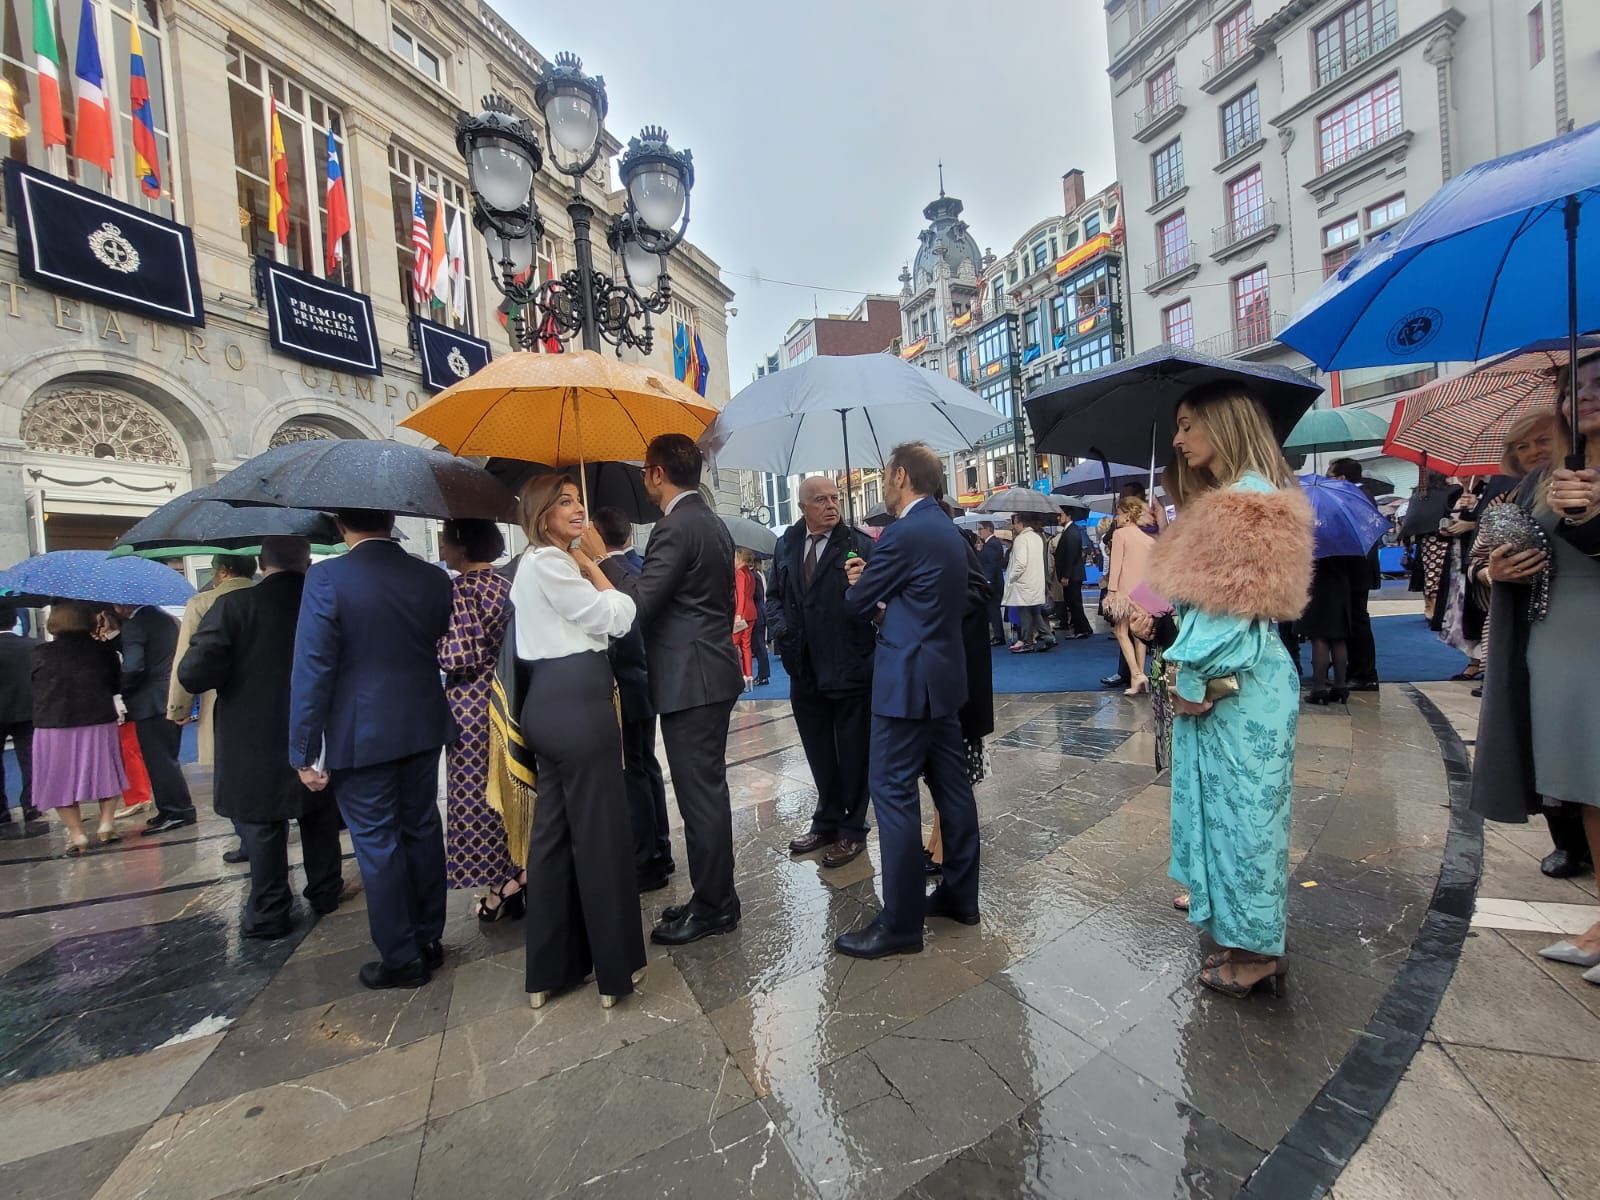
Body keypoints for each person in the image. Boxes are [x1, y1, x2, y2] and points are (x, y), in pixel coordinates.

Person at [1146, 382, 1313, 999]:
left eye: (1189, 425)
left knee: (1243, 818)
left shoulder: (1240, 501)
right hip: (1248, 679)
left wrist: (1187, 675)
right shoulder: (1247, 496)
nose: (1180, 438)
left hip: (1236, 684)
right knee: (1241, 813)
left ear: (1224, 424)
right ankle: (1244, 937)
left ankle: (1254, 952)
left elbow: (1223, 615)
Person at [288, 508, 453, 990]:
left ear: (341, 526)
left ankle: (401, 957)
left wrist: (303, 748)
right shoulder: (429, 576)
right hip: (421, 719)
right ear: (390, 520)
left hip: (360, 731)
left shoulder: (327, 577)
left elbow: (313, 667)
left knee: (377, 842)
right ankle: (428, 937)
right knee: (421, 828)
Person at [836, 442, 981, 959]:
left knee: (894, 795)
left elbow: (857, 602)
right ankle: (961, 896)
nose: (884, 483)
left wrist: (860, 580)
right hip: (942, 680)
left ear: (901, 476)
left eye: (885, 475)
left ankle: (899, 923)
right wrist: (883, 599)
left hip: (903, 686)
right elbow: (920, 604)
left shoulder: (902, 533)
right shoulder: (947, 529)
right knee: (952, 791)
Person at [1472, 354, 1600, 917]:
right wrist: (1490, 571)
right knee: (1583, 781)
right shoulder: (1541, 481)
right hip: (1552, 643)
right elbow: (1495, 552)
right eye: (1574, 388)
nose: (1585, 396)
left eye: (1599, 384)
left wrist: (1590, 520)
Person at [513, 478, 648, 1008]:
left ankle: (551, 968)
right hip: (577, 702)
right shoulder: (550, 563)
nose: (577, 508)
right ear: (541, 513)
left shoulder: (533, 564)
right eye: (564, 501)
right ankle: (615, 971)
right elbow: (616, 617)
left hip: (550, 702)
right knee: (601, 837)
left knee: (551, 838)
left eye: (578, 499)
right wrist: (595, 564)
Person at [178, 537, 345, 937]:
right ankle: (325, 889)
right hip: (317, 726)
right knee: (318, 814)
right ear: (307, 560)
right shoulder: (324, 603)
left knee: (261, 823)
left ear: (260, 563)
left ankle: (270, 908)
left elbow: (194, 673)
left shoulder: (233, 606)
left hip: (250, 730)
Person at [614, 434, 743, 946]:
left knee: (701, 798)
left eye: (646, 470)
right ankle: (714, 895)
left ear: (658, 473)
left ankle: (715, 907)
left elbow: (641, 603)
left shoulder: (674, 527)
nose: (645, 479)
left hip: (693, 677)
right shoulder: (710, 521)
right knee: (705, 794)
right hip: (708, 671)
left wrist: (600, 563)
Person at [768, 475, 877, 869]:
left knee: (852, 752)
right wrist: (780, 628)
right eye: (821, 500)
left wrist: (863, 585)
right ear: (803, 507)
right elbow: (774, 596)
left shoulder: (859, 544)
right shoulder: (787, 544)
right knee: (818, 750)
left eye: (835, 498)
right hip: (804, 665)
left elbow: (876, 602)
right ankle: (826, 819)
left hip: (848, 663)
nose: (831, 505)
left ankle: (852, 830)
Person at [436, 518, 520, 922]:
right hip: (507, 696)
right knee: (509, 788)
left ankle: (498, 884)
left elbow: (458, 655)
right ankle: (520, 869)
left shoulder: (461, 591)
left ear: (461, 548)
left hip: (470, 704)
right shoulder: (505, 586)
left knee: (476, 797)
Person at [592, 505, 674, 892]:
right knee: (645, 767)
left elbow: (624, 621)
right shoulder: (642, 565)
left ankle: (647, 860)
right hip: (646, 681)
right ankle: (660, 848)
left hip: (626, 680)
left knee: (633, 774)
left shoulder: (615, 574)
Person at [169, 553, 255, 863]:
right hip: (273, 696)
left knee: (230, 771)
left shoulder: (203, 603)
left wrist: (178, 707)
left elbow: (185, 661)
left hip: (221, 698)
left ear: (221, 572)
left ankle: (249, 839)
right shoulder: (266, 596)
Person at [926, 496, 996, 875]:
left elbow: (977, 591)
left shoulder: (951, 540)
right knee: (939, 768)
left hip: (959, 674)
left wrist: (928, 605)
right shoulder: (945, 539)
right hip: (949, 671)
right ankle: (937, 839)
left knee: (950, 770)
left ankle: (945, 847)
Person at [31, 602, 128, 853]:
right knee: (105, 772)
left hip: (53, 723)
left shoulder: (41, 651)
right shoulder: (103, 651)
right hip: (97, 719)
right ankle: (106, 823)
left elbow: (34, 684)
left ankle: (77, 835)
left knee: (58, 779)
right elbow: (117, 685)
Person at [112, 600, 197, 834]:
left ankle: (178, 809)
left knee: (160, 761)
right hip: (168, 696)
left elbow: (133, 666)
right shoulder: (165, 619)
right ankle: (169, 808)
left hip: (149, 701)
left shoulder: (135, 625)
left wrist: (121, 689)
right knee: (165, 757)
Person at [1326, 459, 1381, 691]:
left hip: (1355, 569)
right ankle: (1355, 670)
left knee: (1357, 620)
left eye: (1330, 475)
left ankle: (1364, 673)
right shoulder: (1361, 495)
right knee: (1354, 620)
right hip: (1356, 568)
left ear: (1341, 478)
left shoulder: (1354, 497)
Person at [1103, 494, 1157, 695]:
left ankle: (1135, 674)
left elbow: (1116, 565)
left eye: (1118, 513)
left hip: (1124, 591)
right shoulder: (1148, 540)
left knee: (1121, 632)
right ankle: (1140, 674)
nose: (1116, 518)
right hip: (1144, 592)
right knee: (1139, 634)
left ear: (1126, 515)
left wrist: (1111, 591)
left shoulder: (1120, 535)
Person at [0, 604, 42, 836]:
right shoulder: (34, 646)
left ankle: (2, 812)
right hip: (28, 711)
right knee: (30, 759)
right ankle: (32, 806)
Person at [1003, 513, 1049, 653]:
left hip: (1023, 583)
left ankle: (1027, 641)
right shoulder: (1037, 538)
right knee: (1035, 612)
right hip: (1035, 581)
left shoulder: (1021, 540)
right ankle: (1047, 636)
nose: (1013, 526)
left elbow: (1020, 563)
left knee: (1024, 613)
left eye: (1014, 523)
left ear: (1020, 523)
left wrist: (1011, 577)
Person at [1053, 511, 1093, 639]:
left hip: (1072, 575)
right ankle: (1084, 627)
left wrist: (1066, 575)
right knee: (1073, 602)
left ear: (1069, 515)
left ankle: (1080, 629)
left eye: (1061, 515)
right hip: (1072, 574)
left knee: (1074, 602)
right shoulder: (1069, 531)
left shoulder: (1072, 532)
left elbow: (1071, 555)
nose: (1058, 518)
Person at [975, 521, 1008, 645]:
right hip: (993, 581)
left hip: (993, 582)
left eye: (981, 529)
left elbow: (990, 564)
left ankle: (999, 636)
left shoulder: (992, 544)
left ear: (988, 529)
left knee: (993, 609)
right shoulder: (989, 544)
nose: (979, 532)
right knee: (992, 609)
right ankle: (997, 635)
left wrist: (987, 580)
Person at [732, 549, 758, 688]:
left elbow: (740, 594)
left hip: (742, 613)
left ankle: (740, 675)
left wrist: (738, 614)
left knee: (734, 645)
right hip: (751, 611)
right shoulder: (750, 574)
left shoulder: (740, 573)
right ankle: (749, 675)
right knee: (746, 646)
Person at [750, 559, 771, 686]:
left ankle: (763, 675)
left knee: (759, 646)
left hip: (758, 613)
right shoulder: (757, 575)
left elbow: (757, 594)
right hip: (760, 612)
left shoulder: (754, 576)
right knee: (759, 646)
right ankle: (763, 675)